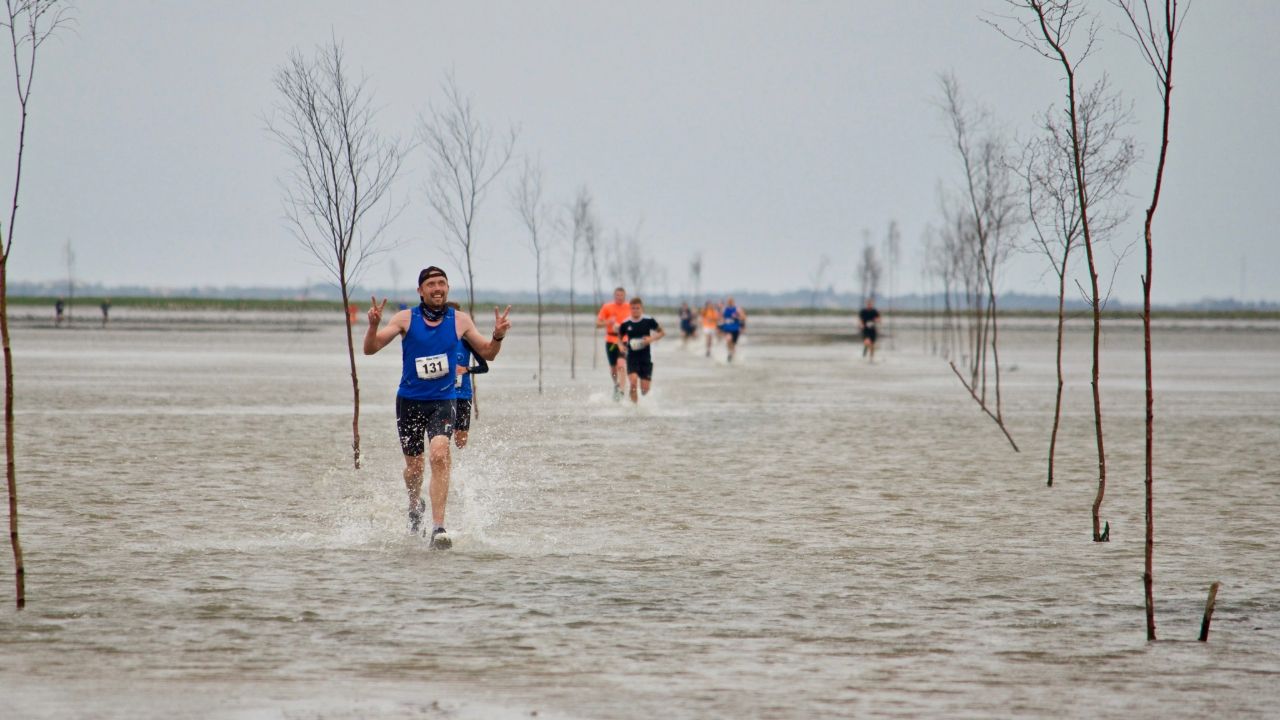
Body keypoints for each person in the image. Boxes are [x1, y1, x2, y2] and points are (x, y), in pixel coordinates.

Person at [364, 267, 511, 549]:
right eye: (431, 284)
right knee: (414, 469)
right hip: (409, 401)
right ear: (421, 291)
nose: (437, 288)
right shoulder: (406, 318)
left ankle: (438, 528)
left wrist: (497, 336)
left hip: (443, 400)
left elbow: (488, 353)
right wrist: (373, 326)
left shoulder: (460, 320)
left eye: (441, 283)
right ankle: (414, 506)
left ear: (447, 288)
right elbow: (370, 348)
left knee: (440, 455)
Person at [447, 301, 488, 449]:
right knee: (442, 438)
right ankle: (443, 460)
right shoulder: (436, 340)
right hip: (443, 396)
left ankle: (457, 461)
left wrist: (467, 369)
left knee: (460, 442)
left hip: (463, 395)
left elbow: (484, 367)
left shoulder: (466, 341)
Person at [617, 297, 664, 403]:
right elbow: (619, 337)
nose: (635, 310)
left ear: (641, 308)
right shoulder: (626, 323)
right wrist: (620, 346)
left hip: (646, 357)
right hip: (632, 357)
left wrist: (651, 339)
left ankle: (642, 403)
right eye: (633, 308)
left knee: (645, 390)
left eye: (637, 308)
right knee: (633, 382)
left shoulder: (649, 320)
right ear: (630, 309)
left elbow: (662, 332)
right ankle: (633, 407)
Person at [595, 287, 632, 401]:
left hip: (624, 340)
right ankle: (616, 385)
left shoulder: (630, 307)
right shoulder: (607, 307)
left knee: (621, 365)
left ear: (625, 297)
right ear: (614, 296)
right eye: (617, 295)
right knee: (613, 369)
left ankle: (622, 390)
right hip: (611, 340)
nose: (619, 298)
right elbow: (598, 324)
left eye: (622, 295)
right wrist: (608, 322)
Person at [721, 297, 745, 362]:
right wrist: (722, 321)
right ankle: (729, 353)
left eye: (731, 301)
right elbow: (720, 316)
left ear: (733, 302)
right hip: (727, 328)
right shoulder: (724, 309)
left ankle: (732, 355)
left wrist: (737, 316)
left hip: (735, 329)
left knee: (733, 344)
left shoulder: (737, 309)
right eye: (729, 301)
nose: (730, 302)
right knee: (729, 339)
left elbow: (743, 317)